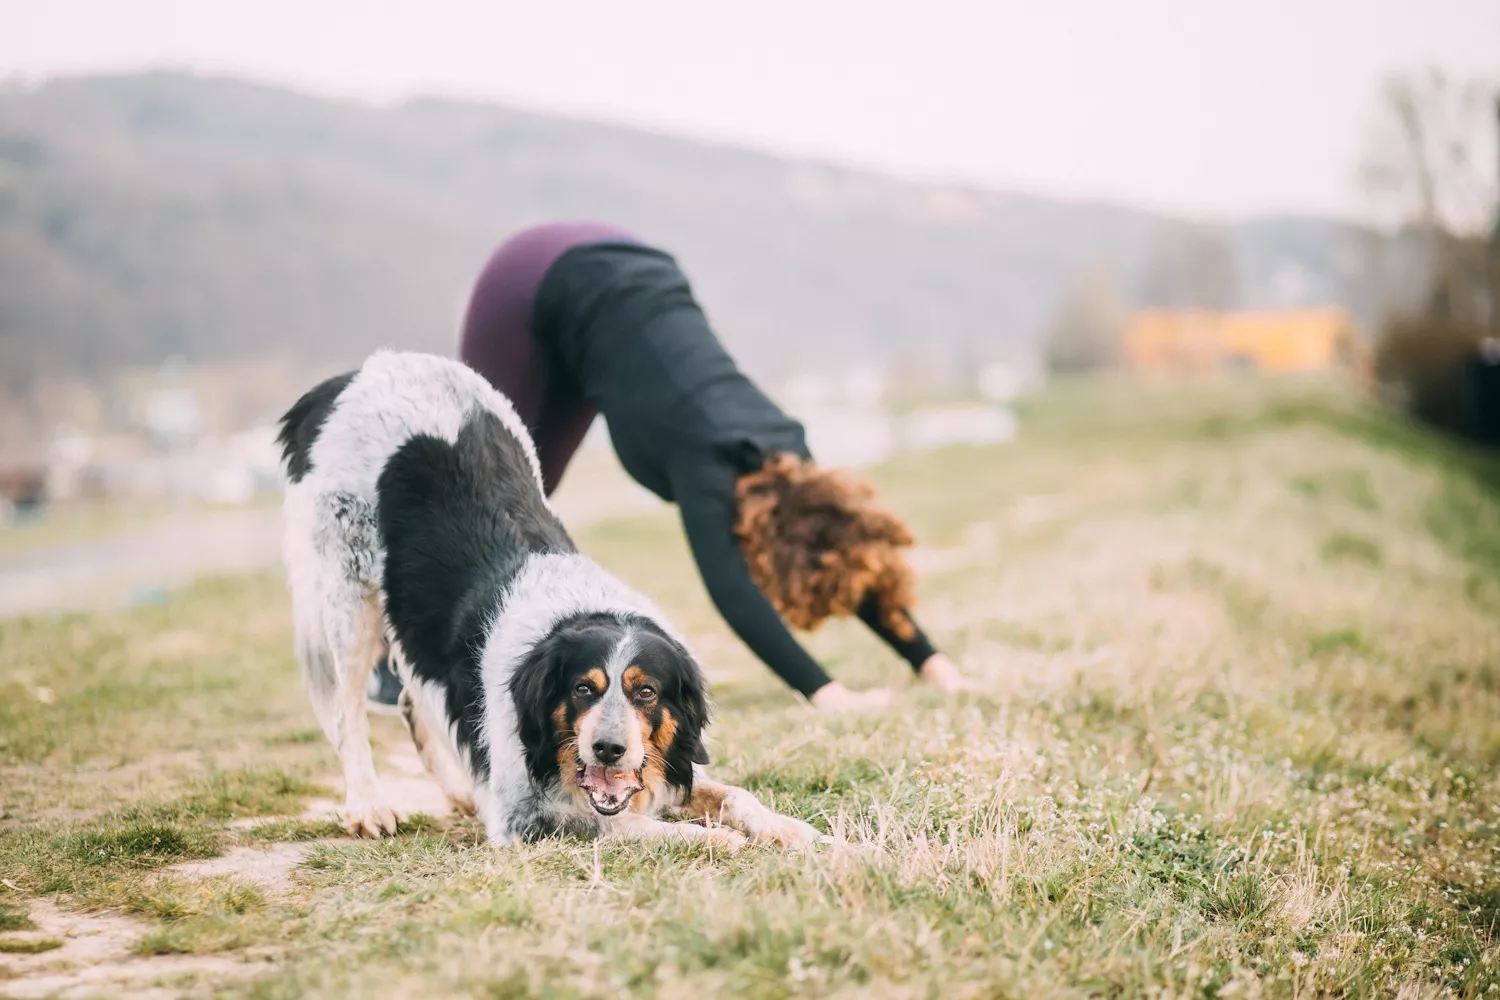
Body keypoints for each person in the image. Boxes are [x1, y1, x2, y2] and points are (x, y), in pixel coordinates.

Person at [368, 221, 967, 712]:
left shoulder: (790, 452)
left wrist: (929, 660)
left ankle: (437, 639)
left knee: (527, 494)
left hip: (621, 267)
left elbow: (848, 554)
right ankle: (389, 654)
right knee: (475, 484)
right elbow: (735, 596)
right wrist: (827, 693)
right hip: (530, 278)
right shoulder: (707, 463)